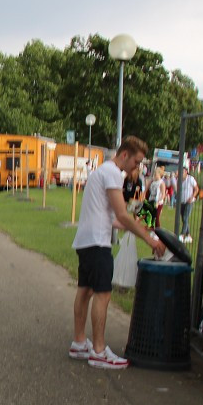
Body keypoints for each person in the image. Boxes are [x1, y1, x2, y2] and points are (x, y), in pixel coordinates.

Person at [70, 136, 164, 369]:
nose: (138, 167)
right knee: (102, 293)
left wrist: (139, 226)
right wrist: (150, 240)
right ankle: (99, 351)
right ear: (125, 155)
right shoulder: (112, 173)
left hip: (86, 241)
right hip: (98, 243)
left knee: (85, 290)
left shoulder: (99, 172)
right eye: (137, 161)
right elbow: (121, 215)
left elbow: (113, 219)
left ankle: (80, 342)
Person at [177, 167, 199, 242]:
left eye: (182, 171)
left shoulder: (191, 179)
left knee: (185, 217)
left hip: (189, 201)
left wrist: (192, 197)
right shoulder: (179, 180)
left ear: (186, 172)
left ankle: (182, 234)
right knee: (183, 218)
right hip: (182, 201)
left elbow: (196, 189)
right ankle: (188, 235)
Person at [145, 164, 166, 229]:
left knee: (156, 217)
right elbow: (146, 189)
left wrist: (158, 201)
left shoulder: (161, 183)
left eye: (155, 174)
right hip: (151, 200)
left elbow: (163, 195)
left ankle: (158, 230)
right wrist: (149, 182)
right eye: (154, 174)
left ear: (159, 175)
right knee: (150, 216)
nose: (154, 175)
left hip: (158, 202)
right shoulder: (153, 181)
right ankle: (152, 229)